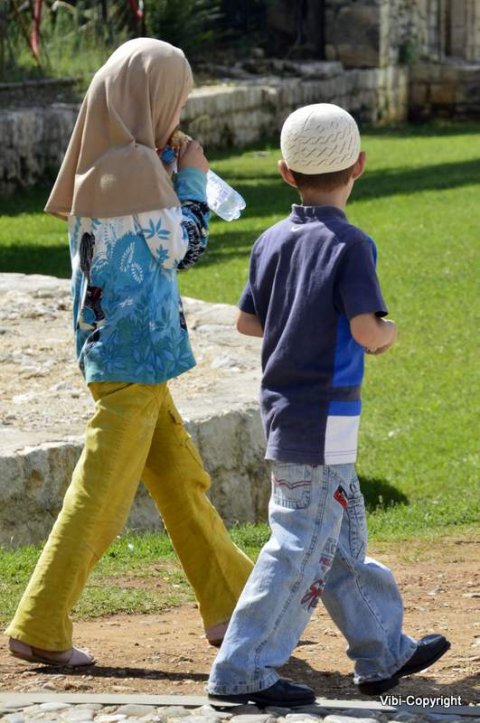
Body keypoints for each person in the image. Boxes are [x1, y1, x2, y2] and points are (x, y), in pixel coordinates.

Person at [5, 37, 253, 667]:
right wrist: (193, 178)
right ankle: (40, 624)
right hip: (136, 356)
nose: (179, 113)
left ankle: (237, 604)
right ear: (150, 97)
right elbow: (184, 246)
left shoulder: (102, 162)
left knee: (180, 479)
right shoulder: (140, 168)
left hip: (117, 353)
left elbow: (132, 246)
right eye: (177, 100)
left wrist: (168, 174)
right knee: (102, 494)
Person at [207, 103, 450, 707]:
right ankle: (241, 669)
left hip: (287, 412)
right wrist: (388, 334)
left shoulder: (270, 240)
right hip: (325, 418)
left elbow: (246, 322)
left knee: (337, 538)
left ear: (286, 173)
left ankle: (383, 651)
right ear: (359, 166)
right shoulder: (350, 244)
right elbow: (368, 331)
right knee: (300, 543)